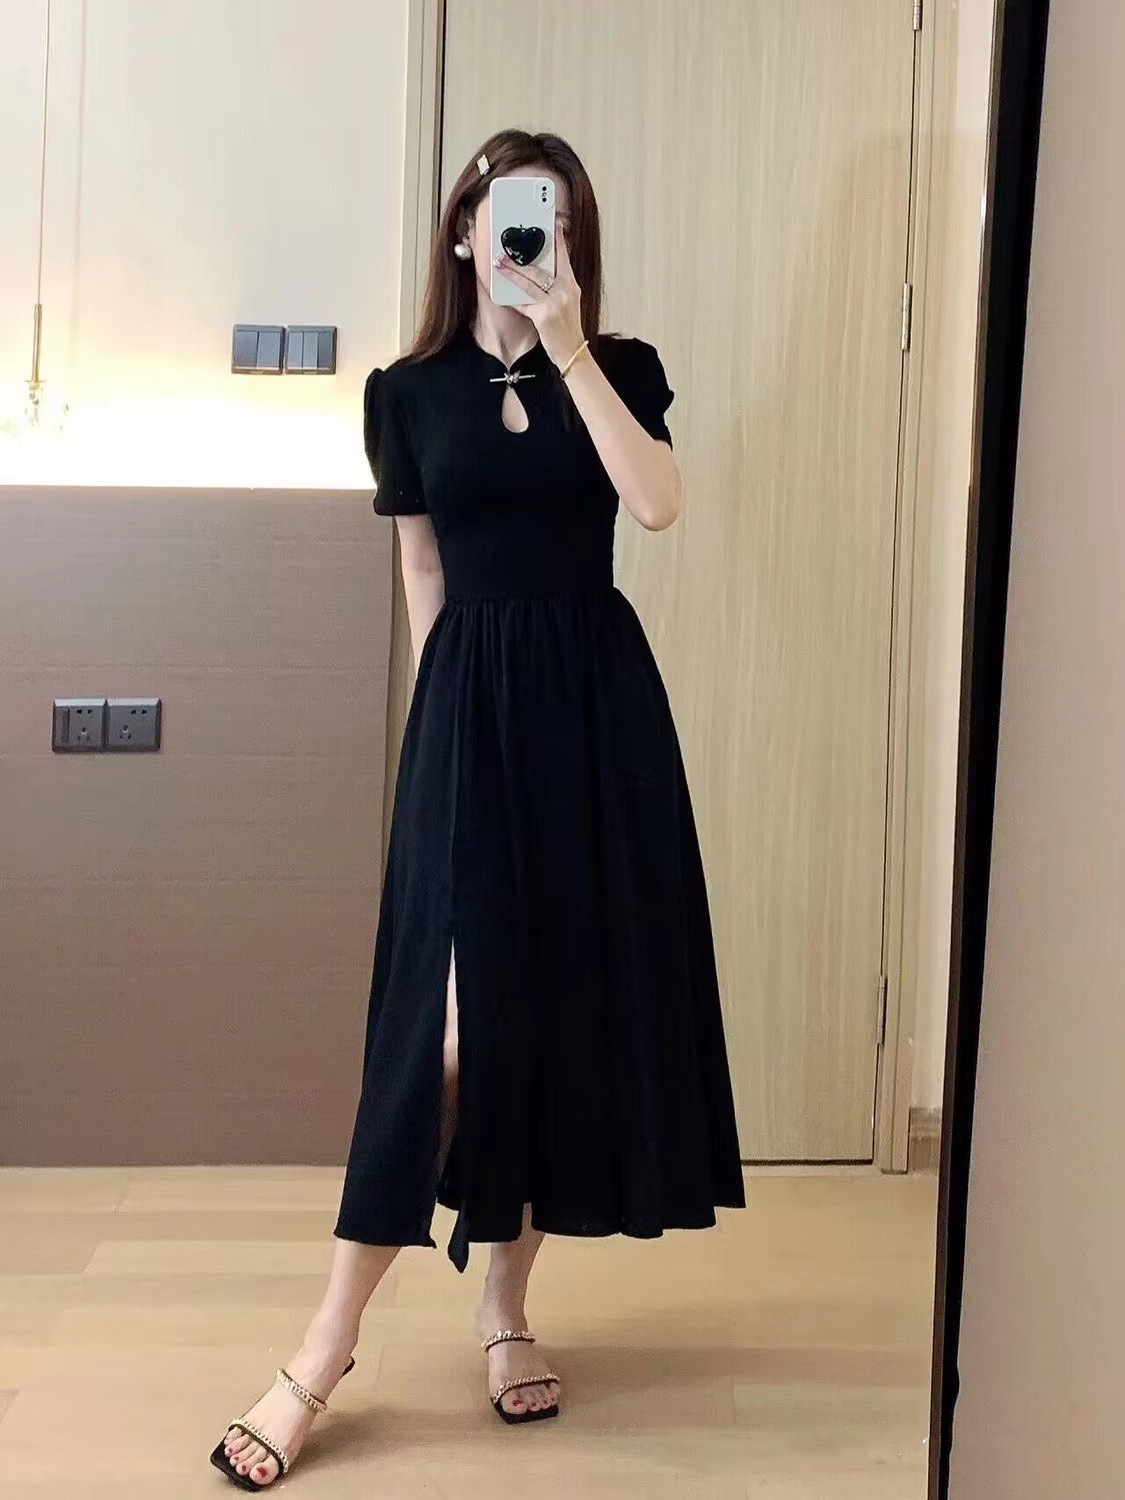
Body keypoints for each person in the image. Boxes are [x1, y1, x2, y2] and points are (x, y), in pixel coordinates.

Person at [209, 127, 745, 1491]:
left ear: (570, 237)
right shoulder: (406, 395)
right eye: (504, 215)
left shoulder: (618, 369)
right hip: (469, 720)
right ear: (461, 232)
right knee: (442, 1040)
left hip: (595, 721)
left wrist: (568, 347)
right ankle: (325, 1347)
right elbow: (425, 584)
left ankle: (505, 1308)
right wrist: (436, 751)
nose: (522, 237)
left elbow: (657, 505)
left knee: (555, 1017)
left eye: (548, 219)